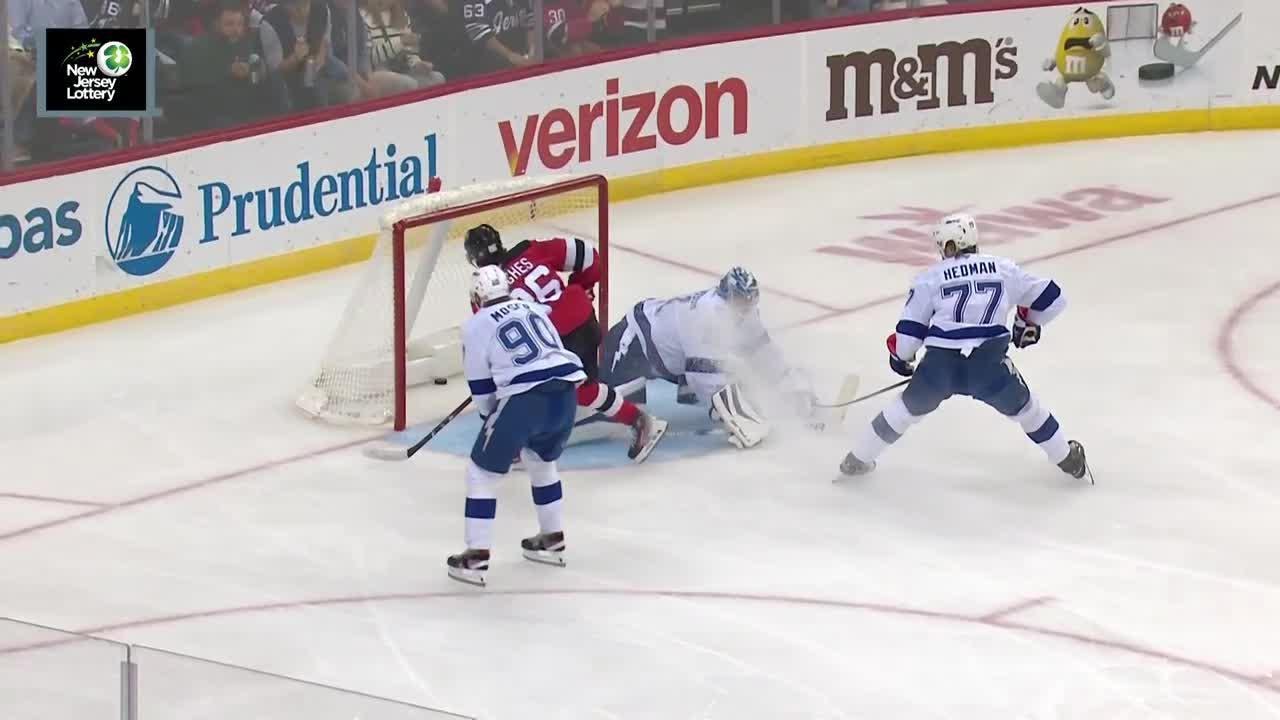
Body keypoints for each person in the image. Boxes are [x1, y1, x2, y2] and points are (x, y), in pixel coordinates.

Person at [838, 213, 1091, 481]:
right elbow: (1054, 298)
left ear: (948, 245)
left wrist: (901, 359)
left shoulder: (929, 278)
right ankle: (1068, 460)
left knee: (902, 411)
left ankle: (856, 460)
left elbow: (907, 339)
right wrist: (1026, 322)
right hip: (989, 365)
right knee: (1028, 410)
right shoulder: (1002, 269)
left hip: (940, 367)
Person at [464, 224, 668, 463]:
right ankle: (632, 417)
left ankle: (638, 419)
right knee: (579, 387)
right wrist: (583, 288)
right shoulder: (531, 250)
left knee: (550, 387)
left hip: (555, 337)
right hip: (583, 319)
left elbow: (493, 337)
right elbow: (589, 256)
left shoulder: (483, 292)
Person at [448, 265, 587, 586]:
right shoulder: (534, 307)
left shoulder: (474, 325)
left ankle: (475, 556)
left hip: (526, 400)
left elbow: (482, 391)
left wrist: (493, 428)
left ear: (478, 296)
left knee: (480, 474)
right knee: (542, 461)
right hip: (566, 392)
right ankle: (552, 538)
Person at [601, 266, 819, 451]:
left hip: (668, 356)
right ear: (728, 296)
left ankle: (687, 393)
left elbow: (764, 353)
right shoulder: (707, 315)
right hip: (633, 342)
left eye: (750, 299)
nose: (747, 305)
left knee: (733, 384)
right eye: (742, 299)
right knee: (609, 417)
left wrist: (792, 387)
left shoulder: (746, 312)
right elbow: (701, 376)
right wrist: (731, 415)